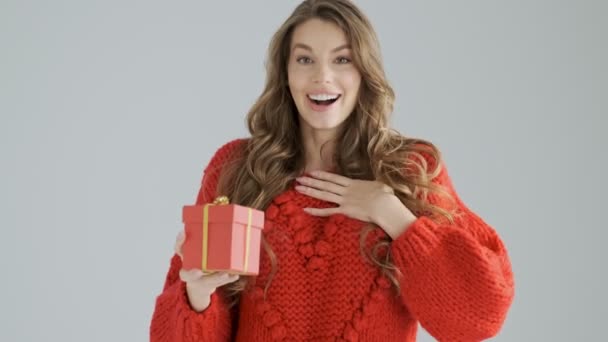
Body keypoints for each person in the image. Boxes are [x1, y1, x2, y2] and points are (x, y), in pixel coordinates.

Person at [150, 0, 515, 341]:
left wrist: (392, 215)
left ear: (364, 73)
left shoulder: (409, 169)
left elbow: (480, 316)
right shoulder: (237, 169)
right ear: (286, 73)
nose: (322, 77)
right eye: (305, 60)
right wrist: (196, 294)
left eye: (342, 60)